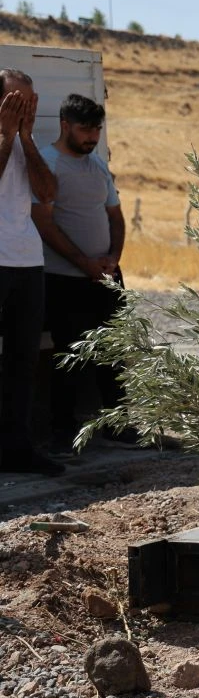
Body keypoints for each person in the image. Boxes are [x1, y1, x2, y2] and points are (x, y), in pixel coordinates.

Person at [31, 94, 137, 450]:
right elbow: (44, 224)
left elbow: (115, 216)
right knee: (69, 358)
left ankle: (117, 425)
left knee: (114, 352)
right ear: (65, 125)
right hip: (65, 279)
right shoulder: (47, 164)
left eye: (97, 129)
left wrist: (113, 257)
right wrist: (84, 263)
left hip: (106, 276)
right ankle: (63, 432)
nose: (92, 136)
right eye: (85, 129)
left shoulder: (98, 167)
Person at [0, 69, 62, 476]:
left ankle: (17, 449)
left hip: (27, 261)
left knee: (23, 361)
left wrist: (23, 136)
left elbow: (48, 192)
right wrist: (6, 136)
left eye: (30, 102)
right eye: (16, 101)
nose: (25, 109)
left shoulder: (27, 140)